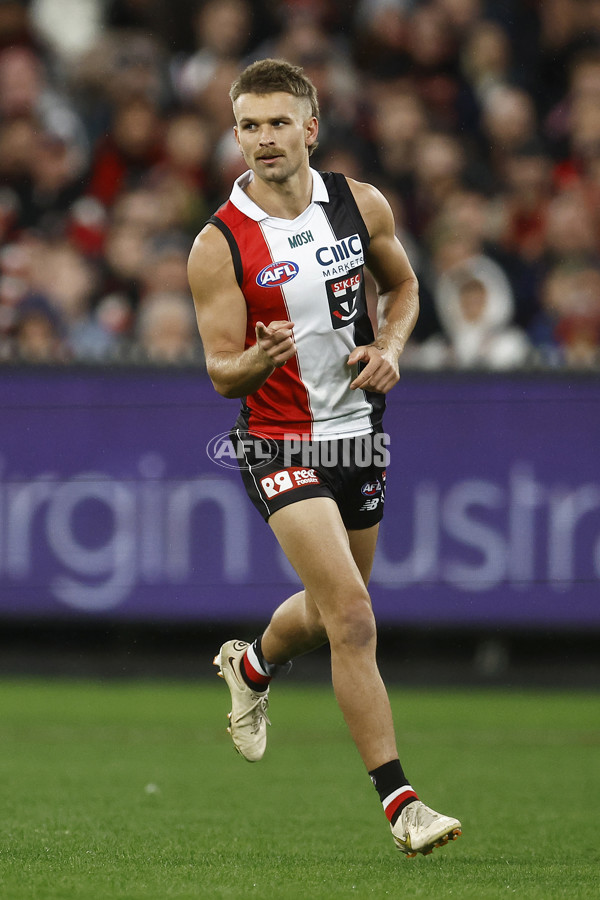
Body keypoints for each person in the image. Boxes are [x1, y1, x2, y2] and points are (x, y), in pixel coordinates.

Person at [187, 58, 462, 857]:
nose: (263, 139)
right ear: (235, 134)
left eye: (278, 122)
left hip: (358, 434)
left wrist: (392, 347)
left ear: (311, 127)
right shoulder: (220, 242)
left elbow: (405, 289)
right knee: (352, 615)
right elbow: (218, 371)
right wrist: (259, 361)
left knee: (331, 610)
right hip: (278, 440)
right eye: (249, 125)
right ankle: (402, 803)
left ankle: (253, 667)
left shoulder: (359, 202)